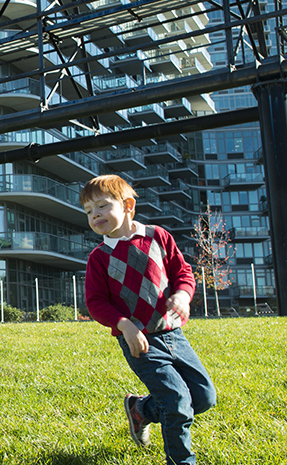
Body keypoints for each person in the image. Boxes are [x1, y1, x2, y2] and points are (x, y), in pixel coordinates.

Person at [80, 175, 216, 465]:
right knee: (176, 402)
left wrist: (182, 295)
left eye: (102, 206)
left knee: (203, 397)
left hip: (173, 334)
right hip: (139, 342)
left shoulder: (158, 236)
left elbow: (183, 272)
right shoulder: (99, 257)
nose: (95, 215)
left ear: (128, 205)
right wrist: (124, 325)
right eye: (89, 211)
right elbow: (96, 303)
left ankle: (140, 410)